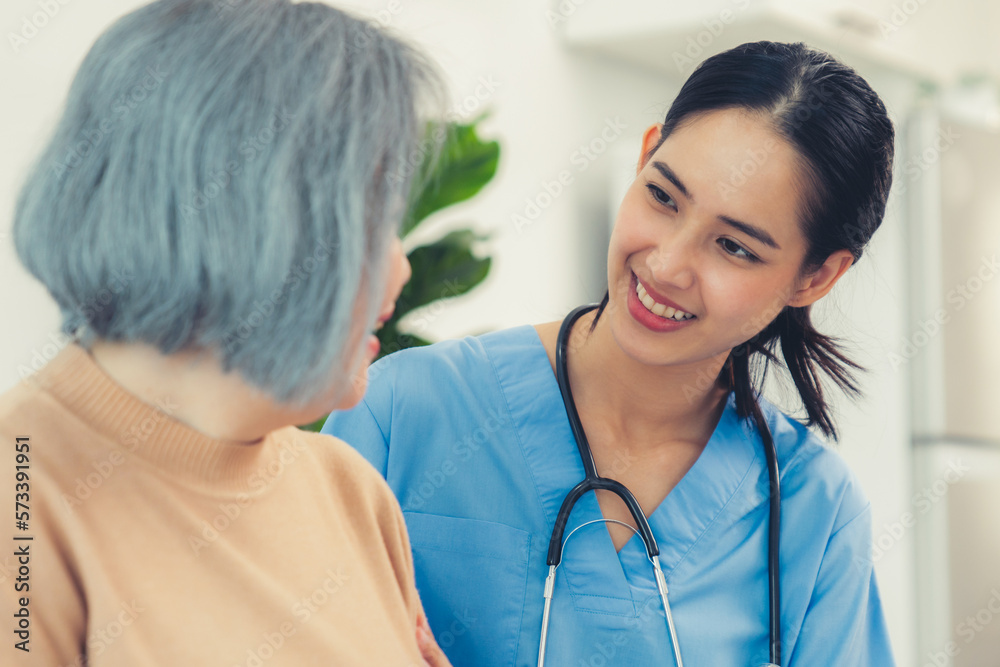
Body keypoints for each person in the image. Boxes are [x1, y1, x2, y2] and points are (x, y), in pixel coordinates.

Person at [323, 41, 897, 666]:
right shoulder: (403, 411)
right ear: (646, 154)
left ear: (815, 277)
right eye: (663, 197)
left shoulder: (815, 511)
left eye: (734, 247)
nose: (667, 264)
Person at [1, 0, 452, 665]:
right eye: (375, 222)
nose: (401, 267)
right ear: (259, 224)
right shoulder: (22, 501)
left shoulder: (352, 492)